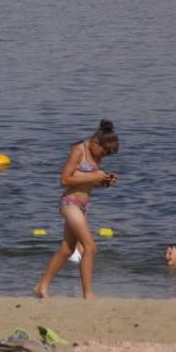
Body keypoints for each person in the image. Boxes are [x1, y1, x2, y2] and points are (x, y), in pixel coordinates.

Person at [33, 119, 119, 299]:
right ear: (96, 142)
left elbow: (88, 182)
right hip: (69, 203)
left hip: (82, 206)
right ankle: (88, 294)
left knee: (66, 250)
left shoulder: (94, 155)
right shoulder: (78, 150)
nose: (102, 157)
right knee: (90, 247)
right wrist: (93, 175)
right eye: (103, 152)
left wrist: (103, 181)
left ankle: (42, 286)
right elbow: (64, 180)